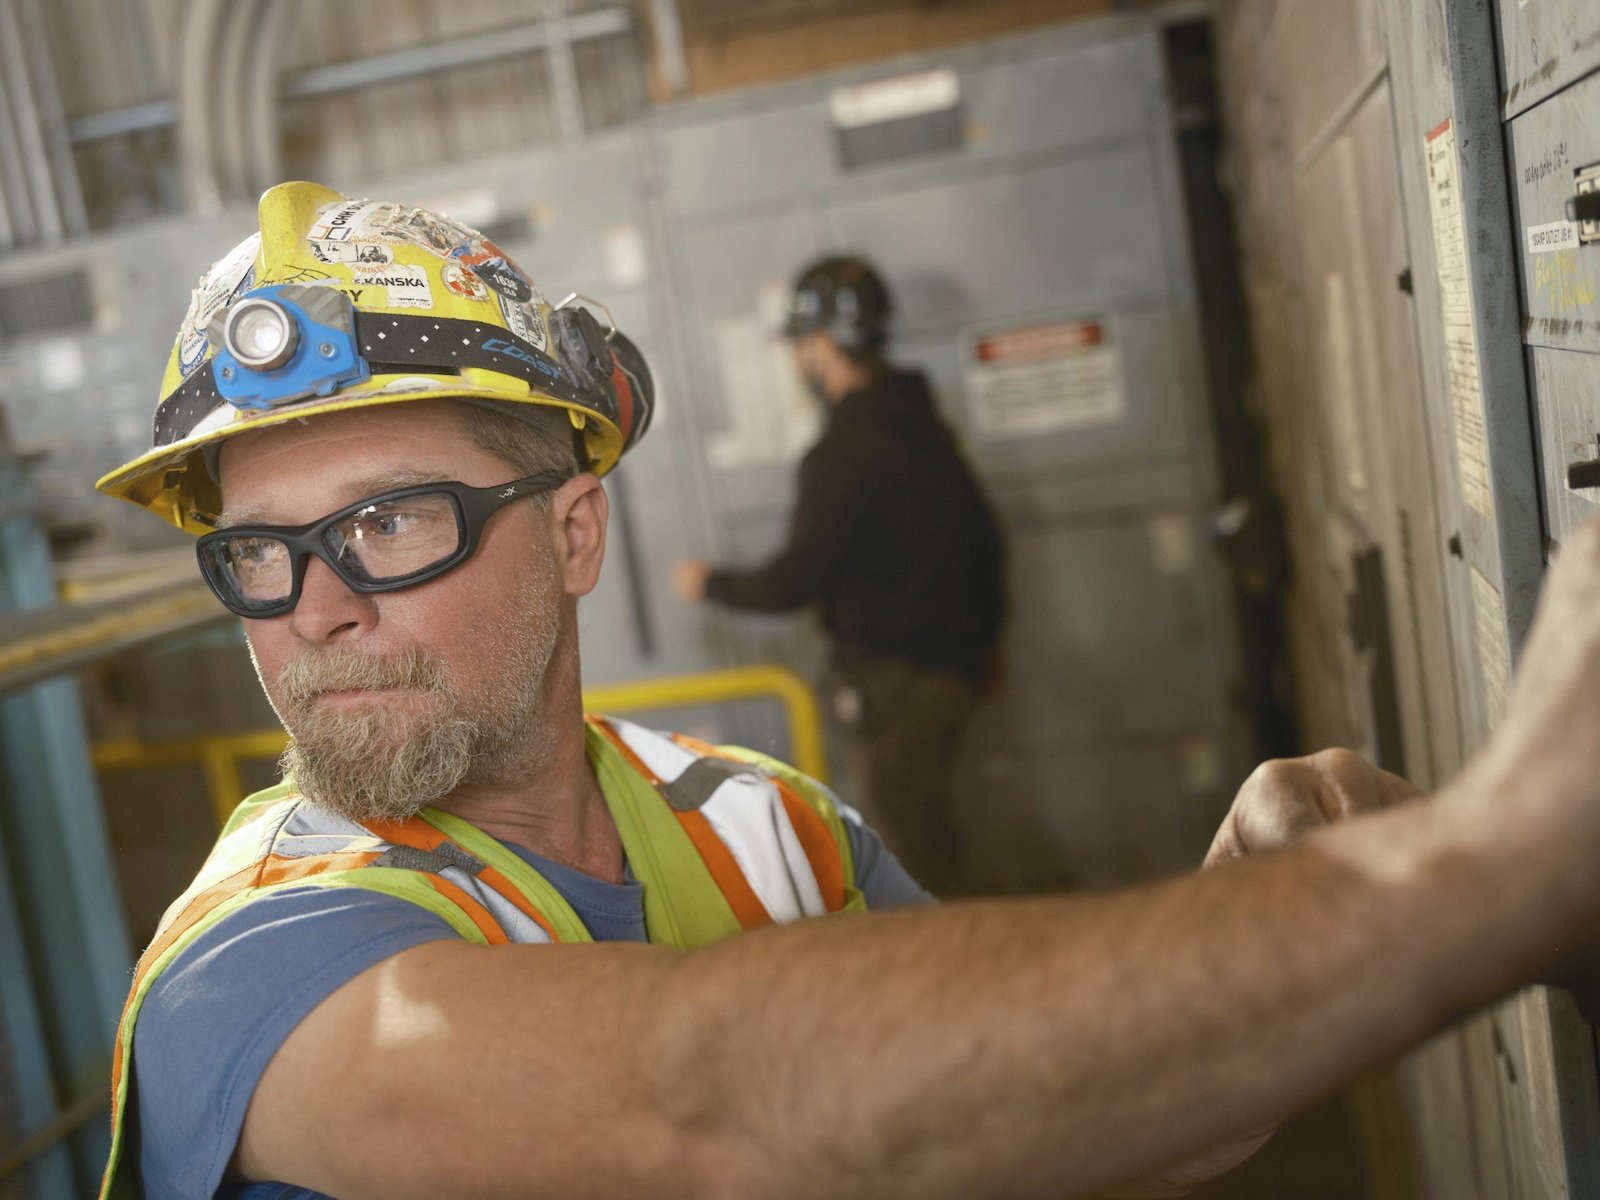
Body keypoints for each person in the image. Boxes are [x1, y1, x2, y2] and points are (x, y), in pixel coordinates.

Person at [94, 183, 1600, 1200]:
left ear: (572, 531)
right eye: (258, 555)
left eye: (386, 523)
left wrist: (1258, 901)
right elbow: (696, 1107)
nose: (321, 609)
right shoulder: (245, 967)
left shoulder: (771, 831)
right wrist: (1471, 877)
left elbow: (1013, 1127)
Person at [674, 257, 1005, 895]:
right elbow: (987, 541)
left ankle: (976, 980)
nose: (798, 360)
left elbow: (792, 582)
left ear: (823, 345)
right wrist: (986, 647)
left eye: (801, 345)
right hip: (949, 670)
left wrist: (708, 583)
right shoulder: (922, 425)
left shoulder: (843, 451)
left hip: (899, 680)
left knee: (915, 864)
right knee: (928, 841)